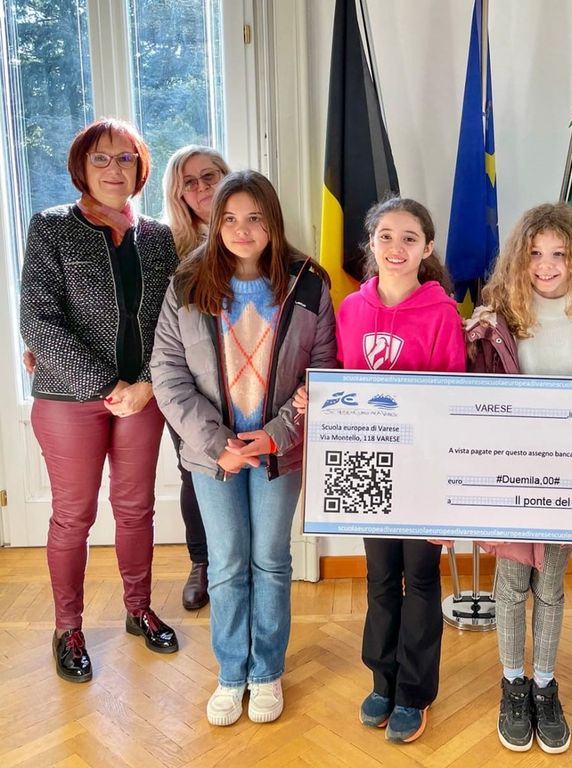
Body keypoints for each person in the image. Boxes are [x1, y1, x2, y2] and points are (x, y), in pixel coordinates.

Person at [151, 170, 337, 726]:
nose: (241, 229)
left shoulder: (309, 284)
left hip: (280, 451)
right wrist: (218, 445)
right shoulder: (187, 284)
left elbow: (323, 373)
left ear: (272, 221)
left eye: (254, 217)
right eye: (229, 218)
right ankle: (232, 673)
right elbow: (168, 373)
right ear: (214, 223)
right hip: (216, 457)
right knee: (228, 563)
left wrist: (279, 431)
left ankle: (267, 671)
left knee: (271, 561)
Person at [296, 197, 466, 744]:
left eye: (409, 238)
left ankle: (414, 692)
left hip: (423, 471)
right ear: (370, 242)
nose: (397, 247)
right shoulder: (349, 309)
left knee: (421, 578)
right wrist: (314, 398)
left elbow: (452, 405)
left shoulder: (443, 313)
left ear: (427, 248)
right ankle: (382, 680)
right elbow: (339, 381)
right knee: (380, 578)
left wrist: (445, 492)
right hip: (368, 467)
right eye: (386, 236)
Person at [19, 118, 180, 683]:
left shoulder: (158, 236)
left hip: (144, 396)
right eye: (102, 159)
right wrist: (109, 386)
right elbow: (38, 320)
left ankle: (139, 610)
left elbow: (172, 322)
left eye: (126, 158)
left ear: (141, 169)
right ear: (81, 168)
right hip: (70, 398)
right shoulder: (51, 227)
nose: (115, 169)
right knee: (74, 515)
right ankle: (68, 628)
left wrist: (148, 384)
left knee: (136, 509)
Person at [467, 202, 572, 754]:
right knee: (513, 583)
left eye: (559, 253)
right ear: (520, 258)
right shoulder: (500, 316)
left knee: (551, 585)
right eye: (535, 253)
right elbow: (476, 394)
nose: (546, 265)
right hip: (514, 469)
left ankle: (544, 684)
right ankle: (513, 684)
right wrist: (473, 340)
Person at [160, 145, 232, 610]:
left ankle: (243, 562)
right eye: (190, 182)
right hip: (187, 384)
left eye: (210, 175)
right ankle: (202, 561)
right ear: (179, 194)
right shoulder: (165, 248)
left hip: (250, 381)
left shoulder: (256, 232)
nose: (203, 187)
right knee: (195, 468)